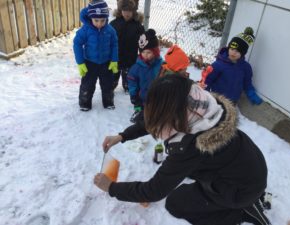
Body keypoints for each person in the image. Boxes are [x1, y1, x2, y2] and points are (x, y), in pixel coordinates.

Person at [94, 75, 271, 225]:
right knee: (188, 175)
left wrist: (111, 187)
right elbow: (157, 120)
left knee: (175, 203)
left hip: (239, 190)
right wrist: (123, 136)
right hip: (247, 168)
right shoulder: (200, 107)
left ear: (175, 116)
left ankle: (241, 213)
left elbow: (154, 190)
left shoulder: (191, 147)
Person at [73, 0, 118, 111]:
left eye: (102, 20)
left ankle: (108, 102)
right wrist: (80, 62)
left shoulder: (110, 30)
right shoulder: (85, 30)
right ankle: (85, 103)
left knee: (108, 84)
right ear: (90, 18)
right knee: (87, 85)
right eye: (96, 20)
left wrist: (114, 60)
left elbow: (114, 44)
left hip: (106, 63)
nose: (99, 23)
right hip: (90, 63)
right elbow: (77, 44)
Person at [204, 27, 263, 105]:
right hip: (217, 99)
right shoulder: (218, 65)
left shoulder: (245, 67)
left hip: (233, 101)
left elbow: (247, 83)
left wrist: (252, 94)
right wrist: (205, 95)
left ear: (243, 53)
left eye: (237, 51)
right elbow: (208, 80)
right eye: (231, 49)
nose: (233, 52)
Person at [127, 28, 163, 122]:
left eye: (149, 52)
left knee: (157, 114)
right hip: (141, 97)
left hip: (157, 97)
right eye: (143, 52)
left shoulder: (161, 65)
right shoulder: (136, 67)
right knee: (140, 108)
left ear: (155, 53)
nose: (145, 55)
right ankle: (138, 111)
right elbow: (132, 81)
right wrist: (133, 95)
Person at [110, 0, 144, 93]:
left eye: (129, 10)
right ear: (120, 11)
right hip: (116, 57)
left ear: (133, 11)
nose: (127, 13)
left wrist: (142, 54)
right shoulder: (114, 24)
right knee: (113, 75)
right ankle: (112, 85)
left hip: (130, 57)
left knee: (128, 77)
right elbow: (108, 39)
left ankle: (127, 85)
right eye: (124, 10)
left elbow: (142, 42)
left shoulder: (138, 26)